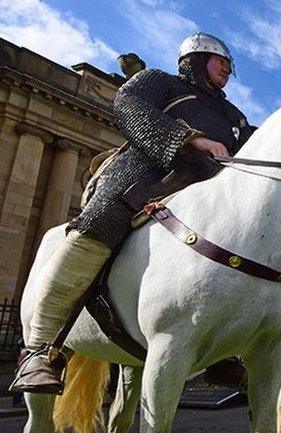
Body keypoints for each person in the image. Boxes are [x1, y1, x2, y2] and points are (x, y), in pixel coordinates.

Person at [11, 33, 256, 394]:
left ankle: (222, 350)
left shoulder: (233, 115)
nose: (227, 69)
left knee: (239, 253)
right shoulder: (160, 81)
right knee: (94, 233)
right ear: (197, 59)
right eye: (221, 61)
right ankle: (38, 350)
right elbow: (128, 104)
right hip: (143, 178)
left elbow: (264, 145)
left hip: (202, 195)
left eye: (229, 65)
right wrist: (190, 139)